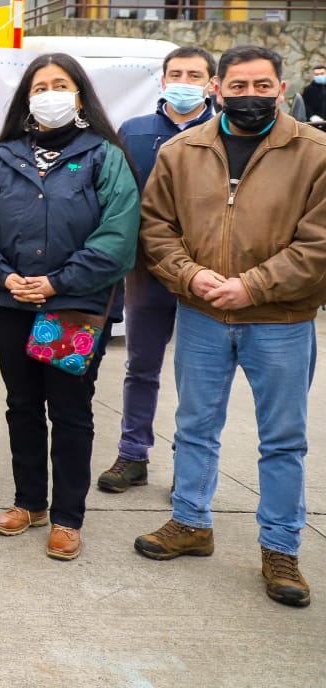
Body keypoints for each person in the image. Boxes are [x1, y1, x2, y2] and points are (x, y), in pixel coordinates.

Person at [135, 44, 326, 608]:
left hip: (281, 320)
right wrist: (190, 277)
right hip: (201, 315)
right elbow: (156, 226)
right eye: (237, 86)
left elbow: (318, 244)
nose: (249, 97)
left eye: (261, 86)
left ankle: (281, 548)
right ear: (218, 88)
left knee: (283, 441)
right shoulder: (181, 150)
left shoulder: (315, 152)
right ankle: (191, 522)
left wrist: (252, 285)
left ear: (282, 86)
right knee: (194, 425)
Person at [0, 54, 139, 561]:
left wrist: (56, 284)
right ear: (27, 99)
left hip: (74, 307)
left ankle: (67, 517)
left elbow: (118, 236)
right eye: (39, 86)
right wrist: (5, 276)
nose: (49, 93)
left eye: (60, 84)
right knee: (21, 404)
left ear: (79, 96)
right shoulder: (2, 157)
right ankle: (29, 503)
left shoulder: (104, 156)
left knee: (67, 407)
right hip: (12, 300)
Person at [97, 47, 215, 493]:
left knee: (199, 375)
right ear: (162, 80)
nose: (184, 81)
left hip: (207, 274)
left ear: (211, 83)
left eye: (194, 74)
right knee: (141, 367)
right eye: (175, 73)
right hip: (147, 271)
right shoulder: (135, 131)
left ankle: (189, 464)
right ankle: (132, 455)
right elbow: (118, 198)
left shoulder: (225, 130)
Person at [289, 63, 326, 128]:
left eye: (322, 74)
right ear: (313, 76)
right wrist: (313, 117)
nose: (319, 76)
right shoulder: (308, 90)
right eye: (317, 74)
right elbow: (305, 105)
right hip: (314, 124)